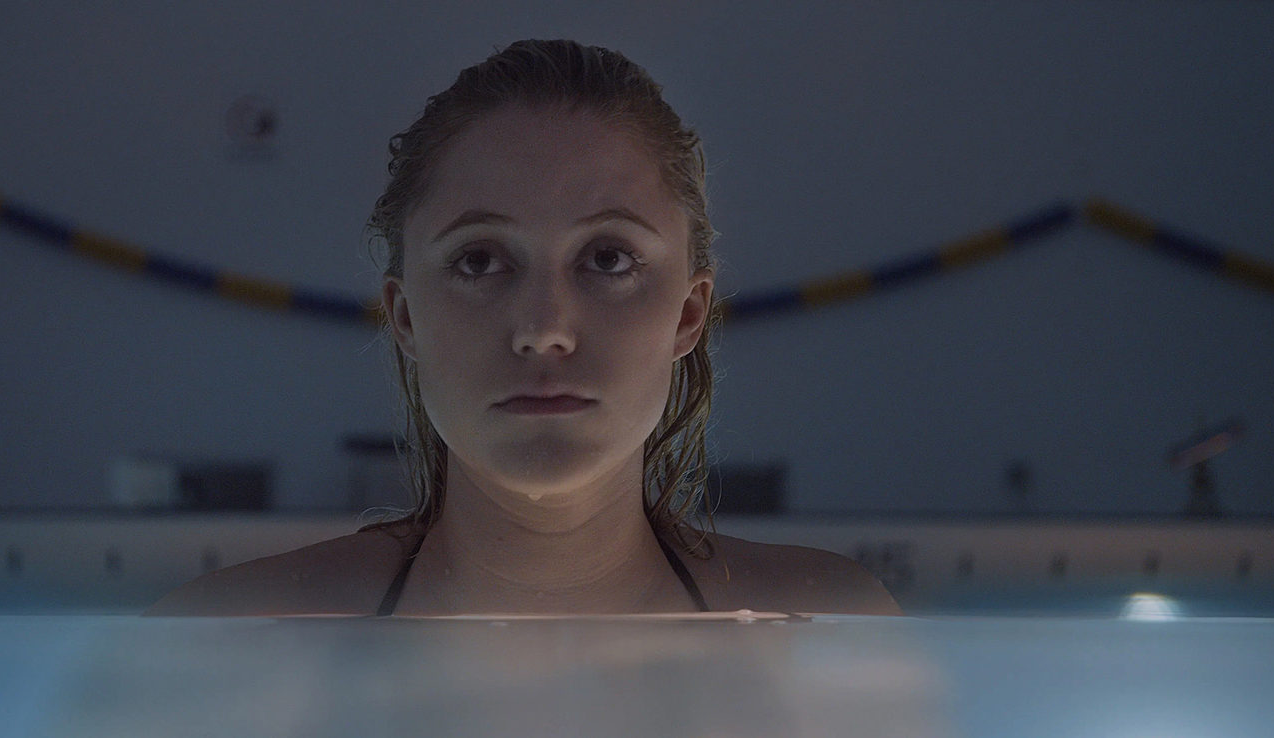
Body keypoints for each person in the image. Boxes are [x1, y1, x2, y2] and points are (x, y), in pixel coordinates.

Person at [148, 39, 900, 617]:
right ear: (405, 315)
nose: (544, 330)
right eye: (479, 261)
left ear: (688, 313)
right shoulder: (214, 645)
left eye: (608, 259)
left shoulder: (836, 636)